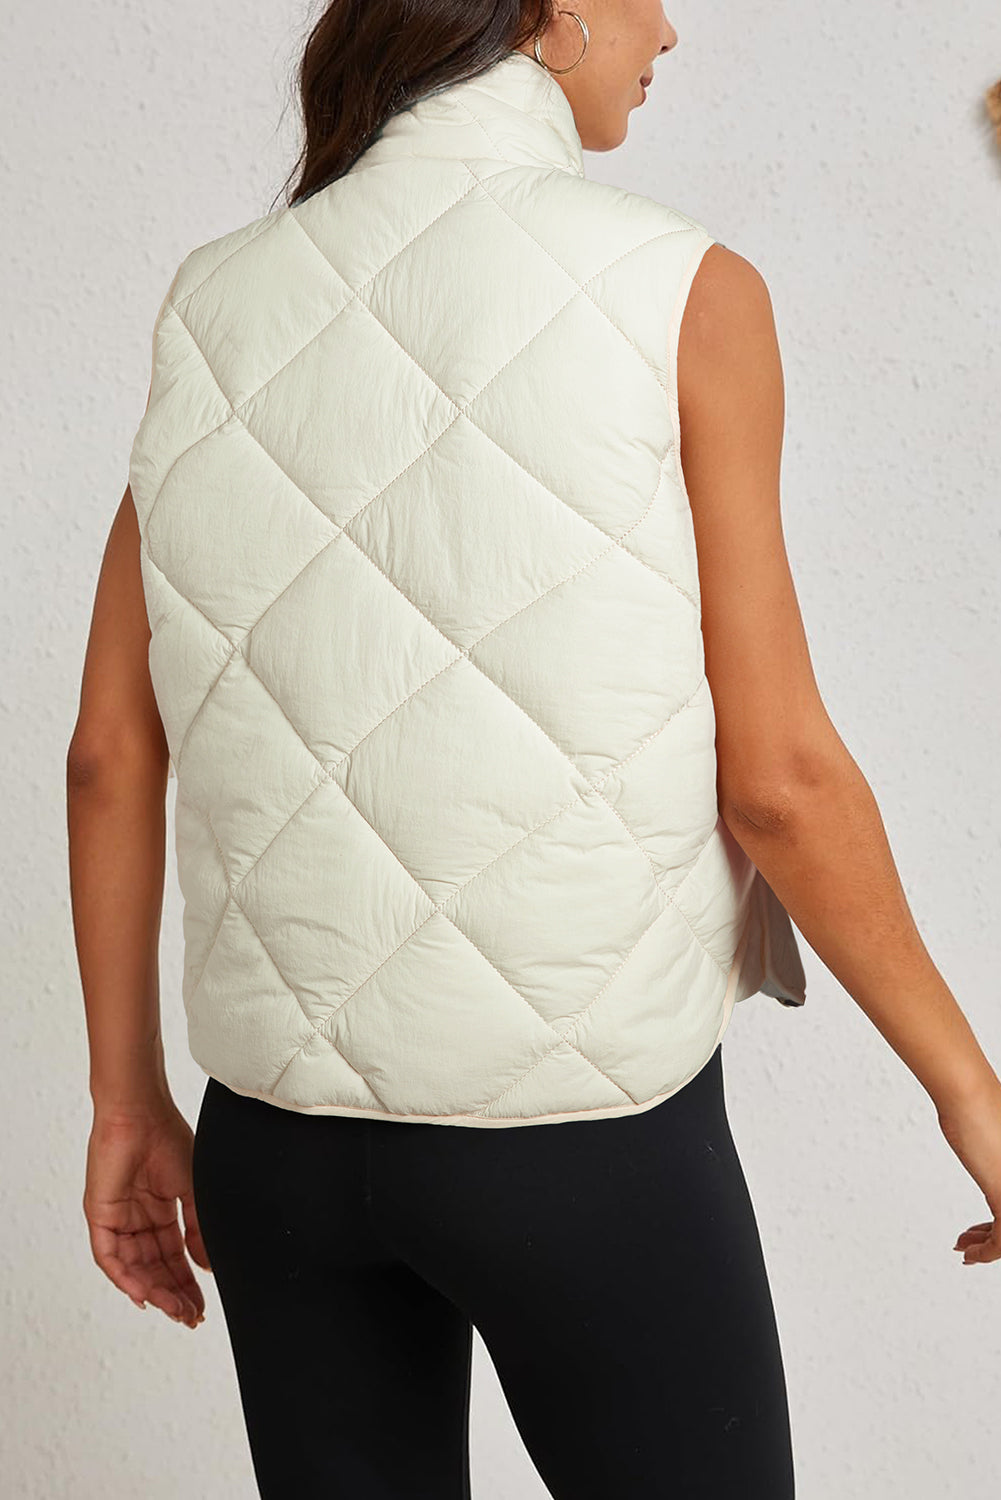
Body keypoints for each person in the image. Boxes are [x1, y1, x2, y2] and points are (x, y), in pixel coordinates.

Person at [67, 3, 1001, 1497]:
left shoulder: (212, 301)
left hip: (273, 1152)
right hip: (579, 1147)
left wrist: (126, 1101)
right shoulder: (680, 287)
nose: (669, 28)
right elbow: (778, 780)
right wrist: (971, 1094)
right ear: (549, 12)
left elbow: (111, 754)